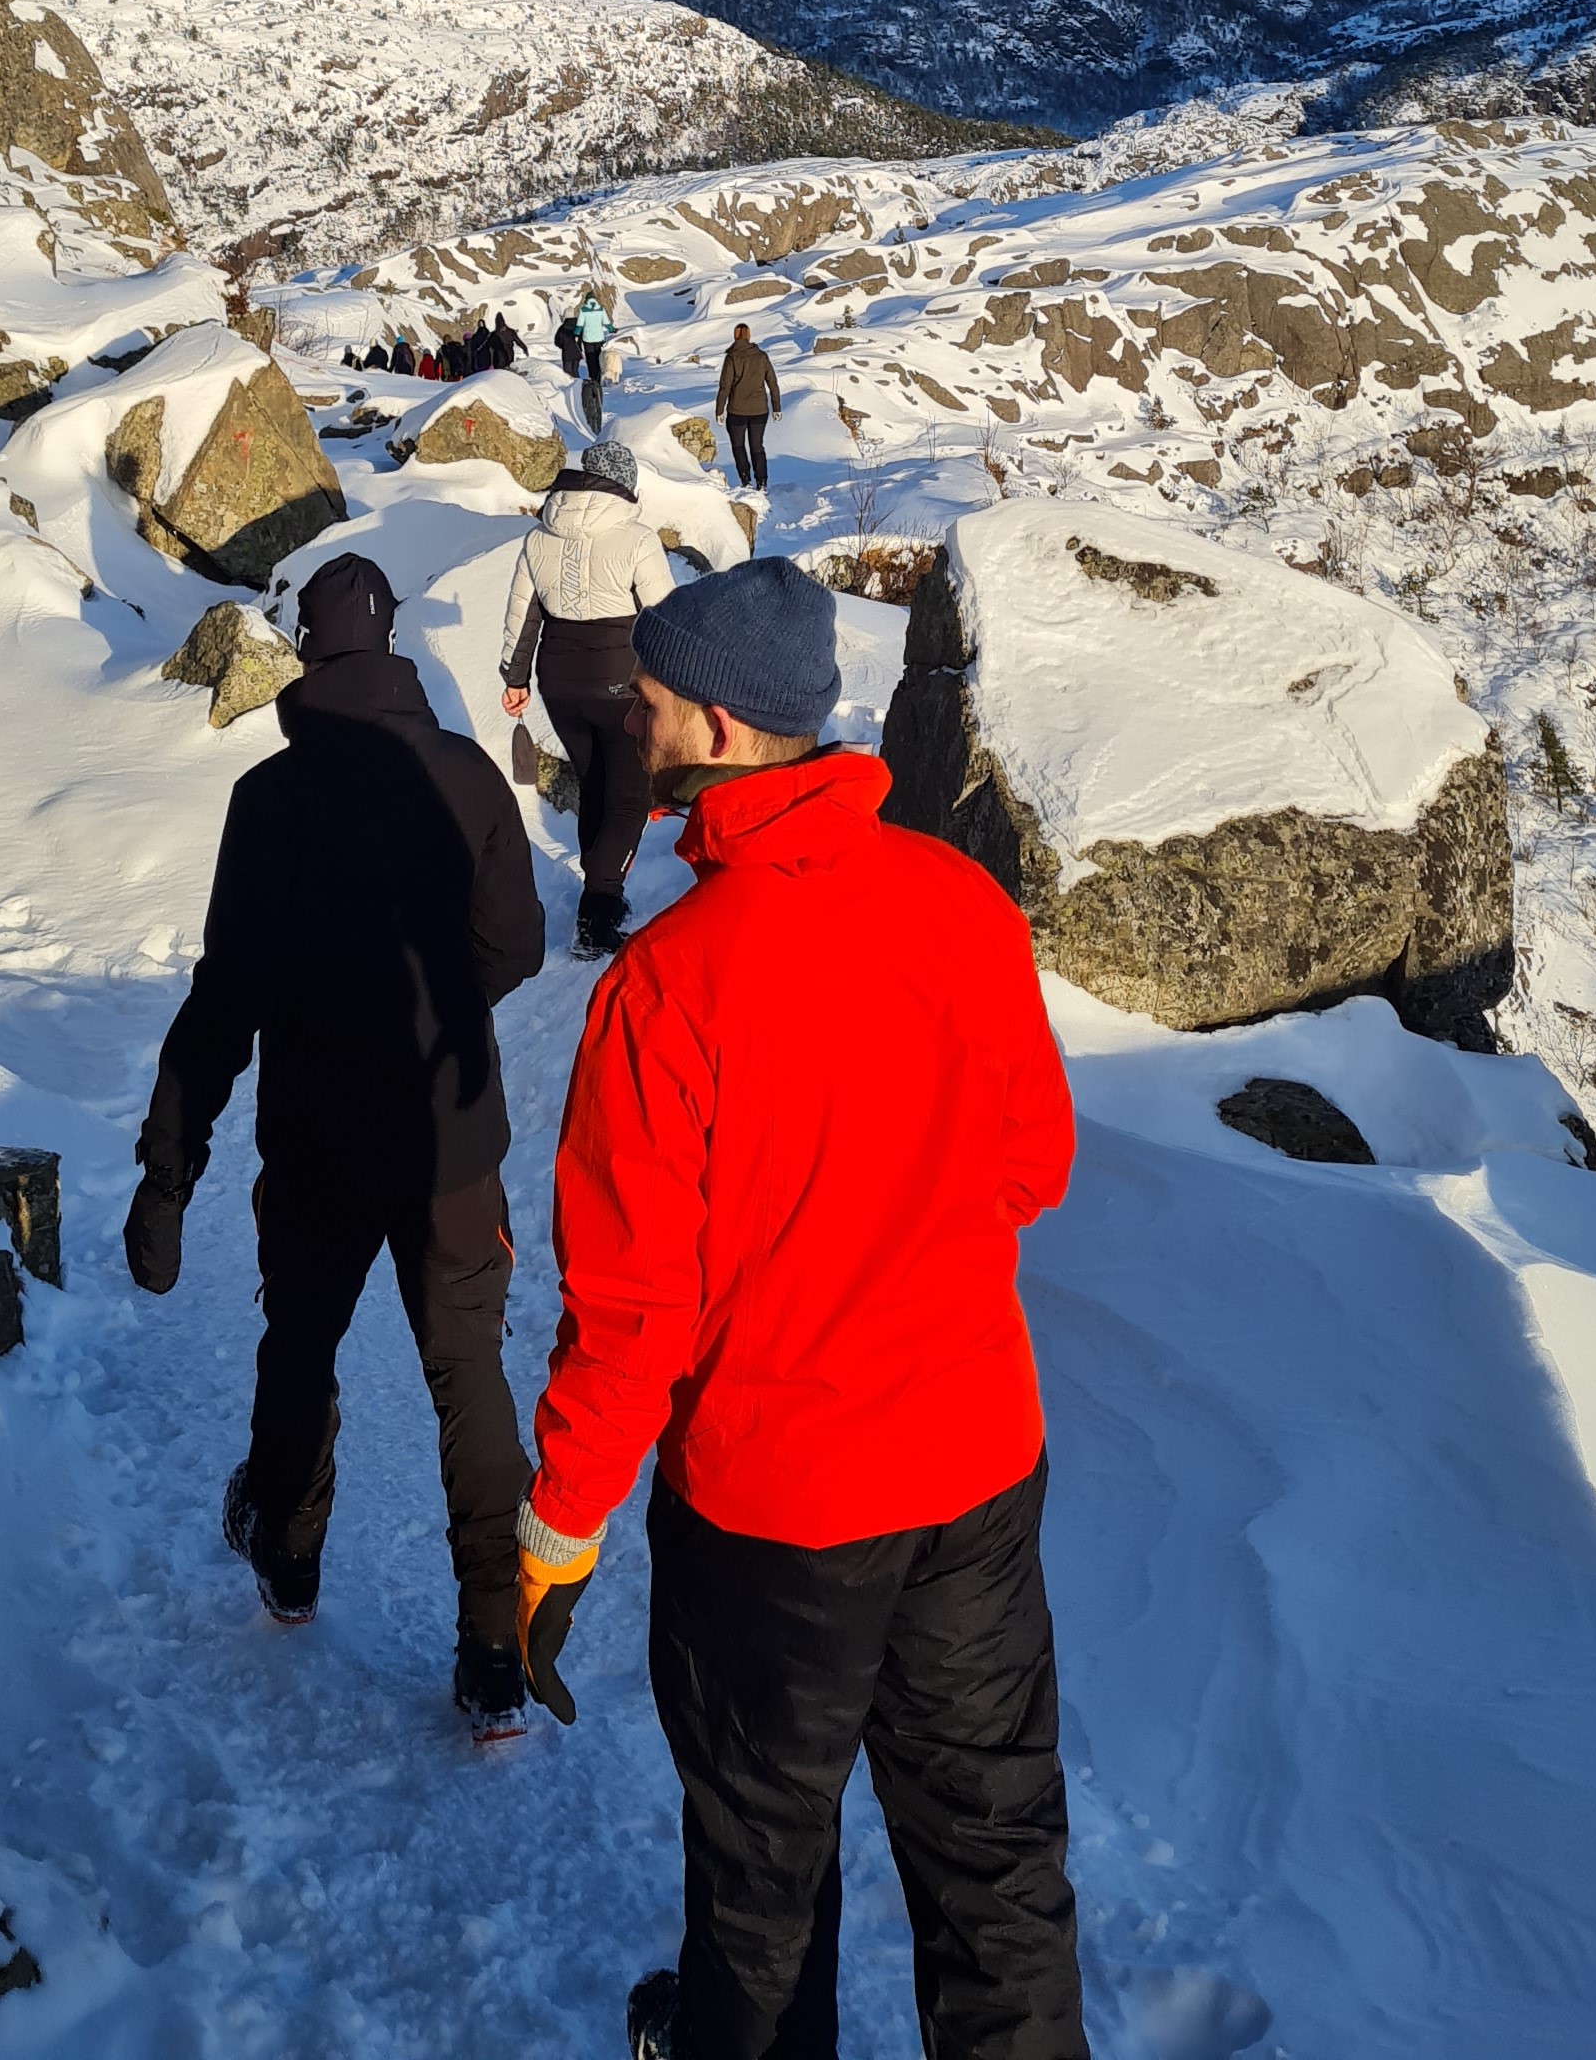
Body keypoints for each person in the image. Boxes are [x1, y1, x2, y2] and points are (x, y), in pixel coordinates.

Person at [514, 558, 1088, 2060]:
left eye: (642, 701)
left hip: (781, 1519)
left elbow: (631, 1314)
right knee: (998, 1866)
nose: (623, 722)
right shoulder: (958, 901)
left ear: (712, 723)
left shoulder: (669, 988)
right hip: (974, 1468)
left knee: (764, 1875)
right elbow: (1034, 1162)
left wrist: (555, 1535)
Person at [122, 552, 546, 1735]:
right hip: (450, 1144)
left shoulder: (268, 800)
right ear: (396, 641)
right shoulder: (466, 780)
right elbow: (512, 946)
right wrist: (441, 1009)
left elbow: (225, 996)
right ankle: (491, 1650)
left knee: (299, 1343)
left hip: (313, 1139)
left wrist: (169, 1172)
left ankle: (289, 1561)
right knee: (466, 1376)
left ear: (310, 651)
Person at [500, 437, 674, 958]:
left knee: (595, 782)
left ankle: (599, 888)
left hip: (559, 683)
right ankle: (597, 910)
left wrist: (515, 678)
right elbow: (662, 617)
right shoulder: (637, 538)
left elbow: (523, 614)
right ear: (625, 485)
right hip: (620, 683)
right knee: (630, 797)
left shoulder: (539, 537)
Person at [714, 320, 782, 492]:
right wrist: (776, 407)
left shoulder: (732, 358)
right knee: (757, 446)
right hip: (759, 410)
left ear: (735, 336)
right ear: (749, 336)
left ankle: (746, 480)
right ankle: (762, 482)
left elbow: (725, 386)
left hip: (737, 410)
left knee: (738, 446)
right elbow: (772, 383)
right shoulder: (761, 356)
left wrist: (719, 410)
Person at [571, 286, 613, 430]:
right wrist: (612, 329)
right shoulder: (600, 309)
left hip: (588, 338)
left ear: (587, 300)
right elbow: (607, 323)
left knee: (591, 359)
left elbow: (579, 325)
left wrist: (576, 334)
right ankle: (598, 377)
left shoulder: (583, 310)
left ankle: (594, 378)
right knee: (598, 357)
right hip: (599, 338)